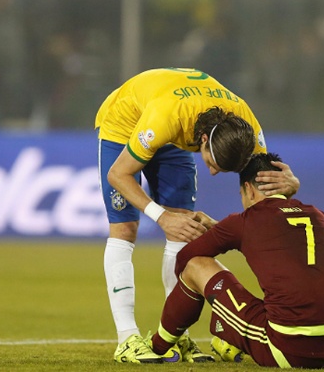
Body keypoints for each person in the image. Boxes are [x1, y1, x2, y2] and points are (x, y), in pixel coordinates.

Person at [95, 67, 300, 364]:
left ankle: (176, 337)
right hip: (127, 123)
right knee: (125, 228)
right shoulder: (167, 116)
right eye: (211, 162)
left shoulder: (246, 126)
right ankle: (127, 339)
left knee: (185, 227)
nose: (213, 172)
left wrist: (291, 186)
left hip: (174, 132)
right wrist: (161, 216)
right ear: (203, 140)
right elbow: (118, 175)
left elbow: (265, 201)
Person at [148, 153, 324, 368]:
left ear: (249, 188)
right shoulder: (318, 214)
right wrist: (221, 230)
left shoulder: (245, 221)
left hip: (288, 348)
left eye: (241, 194)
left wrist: (200, 297)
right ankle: (228, 336)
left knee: (195, 266)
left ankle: (157, 346)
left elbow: (185, 258)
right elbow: (272, 234)